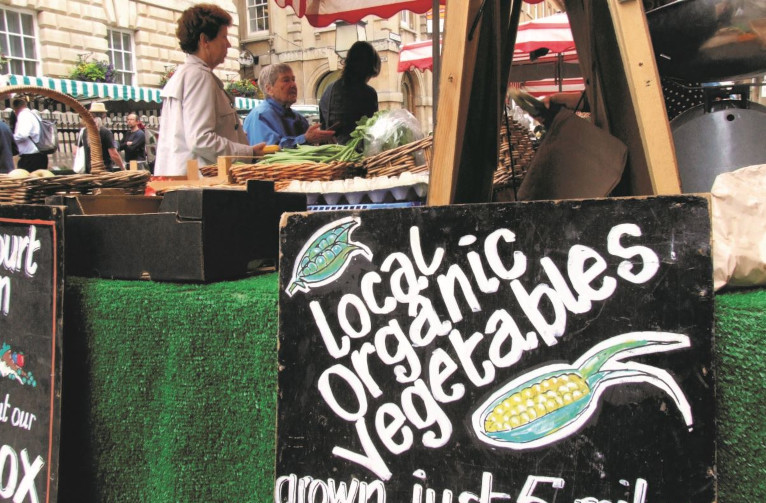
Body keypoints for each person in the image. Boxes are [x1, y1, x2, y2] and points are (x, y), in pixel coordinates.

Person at [155, 3, 265, 176]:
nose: (228, 44)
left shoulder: (186, 74)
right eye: (223, 37)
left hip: (187, 184)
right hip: (202, 186)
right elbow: (201, 140)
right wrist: (248, 153)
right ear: (204, 40)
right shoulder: (199, 76)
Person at [243, 63, 335, 148]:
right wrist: (305, 139)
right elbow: (268, 151)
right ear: (269, 89)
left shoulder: (299, 118)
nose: (293, 85)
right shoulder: (260, 115)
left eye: (293, 80)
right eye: (286, 80)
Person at [319, 41, 380, 145]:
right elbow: (372, 129)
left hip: (332, 155)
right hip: (356, 155)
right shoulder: (368, 94)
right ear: (368, 69)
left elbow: (323, 125)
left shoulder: (328, 90)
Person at [75, 102, 125, 172]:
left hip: (89, 171)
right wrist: (122, 167)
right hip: (105, 171)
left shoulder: (84, 132)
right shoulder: (106, 132)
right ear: (104, 115)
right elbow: (113, 154)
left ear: (90, 115)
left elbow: (75, 151)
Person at [11, 97, 48, 172]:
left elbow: (22, 134)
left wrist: (11, 139)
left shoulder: (23, 115)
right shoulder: (33, 114)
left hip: (31, 157)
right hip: (39, 155)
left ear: (15, 109)